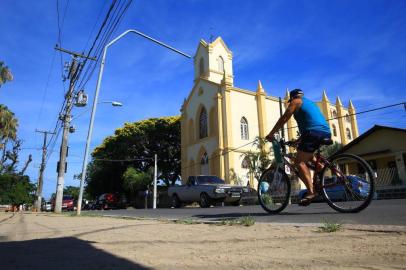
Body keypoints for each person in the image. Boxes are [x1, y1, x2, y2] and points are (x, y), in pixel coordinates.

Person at [265, 89, 331, 206]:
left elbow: (285, 118)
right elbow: (311, 123)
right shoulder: (310, 103)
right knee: (307, 153)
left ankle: (311, 192)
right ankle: (319, 167)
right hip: (324, 132)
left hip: (312, 133)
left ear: (293, 97)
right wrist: (297, 141)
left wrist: (271, 133)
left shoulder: (296, 102)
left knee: (299, 163)